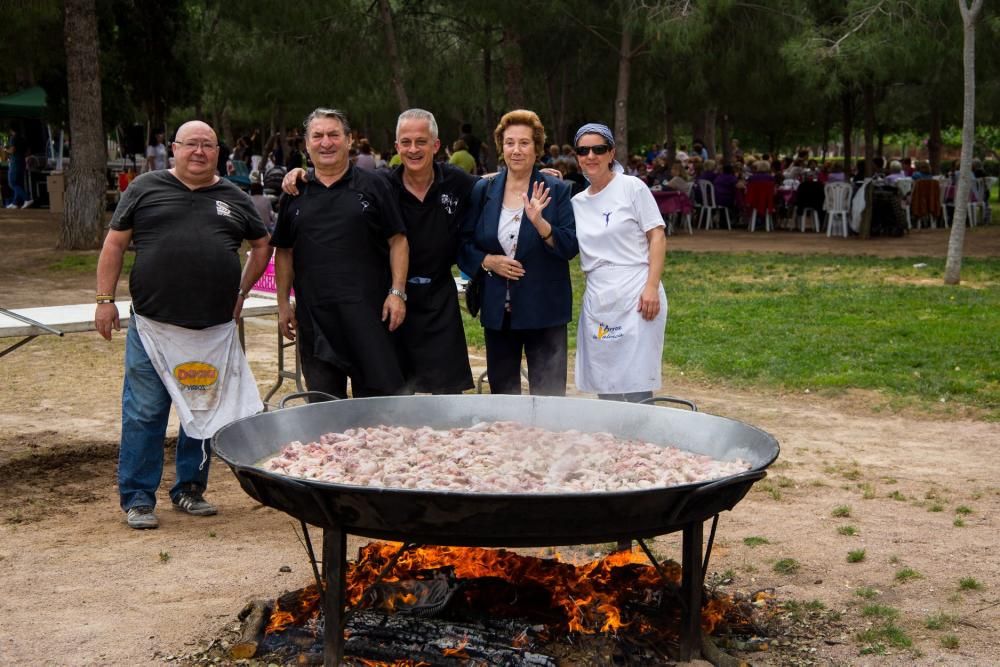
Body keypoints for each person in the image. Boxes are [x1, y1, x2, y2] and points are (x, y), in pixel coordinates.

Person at [94, 120, 271, 530]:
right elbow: (114, 243)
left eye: (208, 145)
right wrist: (105, 301)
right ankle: (138, 497)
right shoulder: (144, 188)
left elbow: (262, 245)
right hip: (153, 326)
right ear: (174, 149)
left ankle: (190, 489)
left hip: (212, 331)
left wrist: (242, 292)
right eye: (190, 144)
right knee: (144, 412)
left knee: (203, 411)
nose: (199, 152)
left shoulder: (234, 196)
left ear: (218, 153)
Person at [284, 109, 477, 395]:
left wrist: (529, 173)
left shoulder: (457, 181)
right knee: (393, 393)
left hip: (436, 298)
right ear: (397, 147)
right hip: (388, 306)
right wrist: (299, 173)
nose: (413, 149)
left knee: (446, 398)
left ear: (435, 146)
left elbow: (493, 186)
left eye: (421, 142)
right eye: (406, 142)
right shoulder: (383, 182)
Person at [271, 108, 409, 399]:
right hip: (316, 321)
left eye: (334, 135)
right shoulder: (295, 192)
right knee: (323, 411)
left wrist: (397, 293)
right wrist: (283, 304)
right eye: (317, 136)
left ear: (349, 141)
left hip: (370, 318)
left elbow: (398, 240)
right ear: (307, 145)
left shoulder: (374, 185)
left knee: (378, 410)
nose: (326, 143)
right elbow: (283, 251)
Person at [458, 109, 578, 396]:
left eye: (524, 143)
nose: (516, 150)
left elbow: (569, 246)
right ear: (502, 147)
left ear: (537, 148)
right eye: (510, 142)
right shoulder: (483, 191)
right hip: (499, 312)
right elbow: (463, 244)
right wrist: (488, 261)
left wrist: (540, 223)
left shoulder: (557, 190)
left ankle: (548, 442)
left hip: (545, 309)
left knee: (548, 396)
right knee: (503, 395)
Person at [570, 123, 666, 402]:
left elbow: (657, 236)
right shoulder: (577, 202)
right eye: (583, 150)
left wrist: (651, 286)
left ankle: (643, 439)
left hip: (636, 291)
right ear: (577, 156)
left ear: (611, 153)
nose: (591, 156)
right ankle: (613, 442)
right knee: (606, 376)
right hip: (599, 296)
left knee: (635, 377)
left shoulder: (632, 188)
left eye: (598, 149)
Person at [5, 127, 32, 208]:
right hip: (22, 161)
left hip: (15, 162)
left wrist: (5, 150)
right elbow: (28, 151)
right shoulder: (23, 138)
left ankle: (27, 199)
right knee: (19, 183)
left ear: (11, 129)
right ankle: (15, 203)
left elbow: (12, 150)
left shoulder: (13, 138)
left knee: (12, 183)